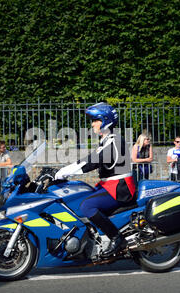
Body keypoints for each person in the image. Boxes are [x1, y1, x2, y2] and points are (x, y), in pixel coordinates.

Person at [55, 102, 136, 258]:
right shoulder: (107, 140)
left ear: (105, 120)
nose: (92, 124)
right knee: (80, 198)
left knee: (87, 206)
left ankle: (116, 237)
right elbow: (90, 159)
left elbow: (92, 162)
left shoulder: (114, 141)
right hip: (110, 185)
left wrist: (63, 172)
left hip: (120, 188)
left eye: (95, 120)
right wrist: (61, 171)